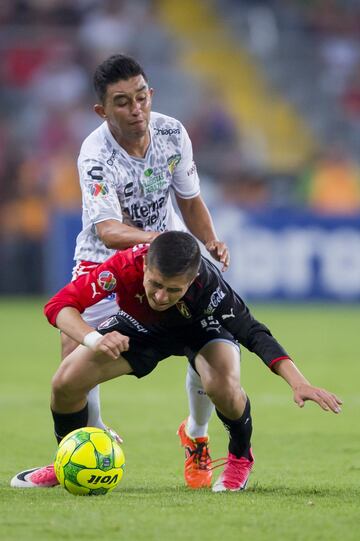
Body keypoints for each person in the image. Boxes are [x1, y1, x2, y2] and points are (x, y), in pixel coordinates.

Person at [11, 54, 230, 490]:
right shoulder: (94, 154)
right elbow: (109, 232)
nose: (136, 110)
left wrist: (207, 242)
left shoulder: (171, 132)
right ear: (102, 110)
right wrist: (165, 240)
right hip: (103, 261)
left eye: (142, 97)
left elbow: (189, 199)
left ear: (151, 95)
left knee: (207, 337)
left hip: (165, 262)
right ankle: (78, 450)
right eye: (123, 102)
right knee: (74, 361)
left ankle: (198, 437)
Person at [11, 232, 342, 492]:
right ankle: (68, 458)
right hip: (142, 329)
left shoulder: (209, 287)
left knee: (222, 384)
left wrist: (298, 382)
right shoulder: (124, 267)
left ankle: (240, 458)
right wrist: (95, 338)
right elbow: (60, 304)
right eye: (154, 284)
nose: (160, 297)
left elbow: (253, 332)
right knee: (65, 381)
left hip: (200, 330)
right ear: (144, 267)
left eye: (173, 290)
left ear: (192, 279)